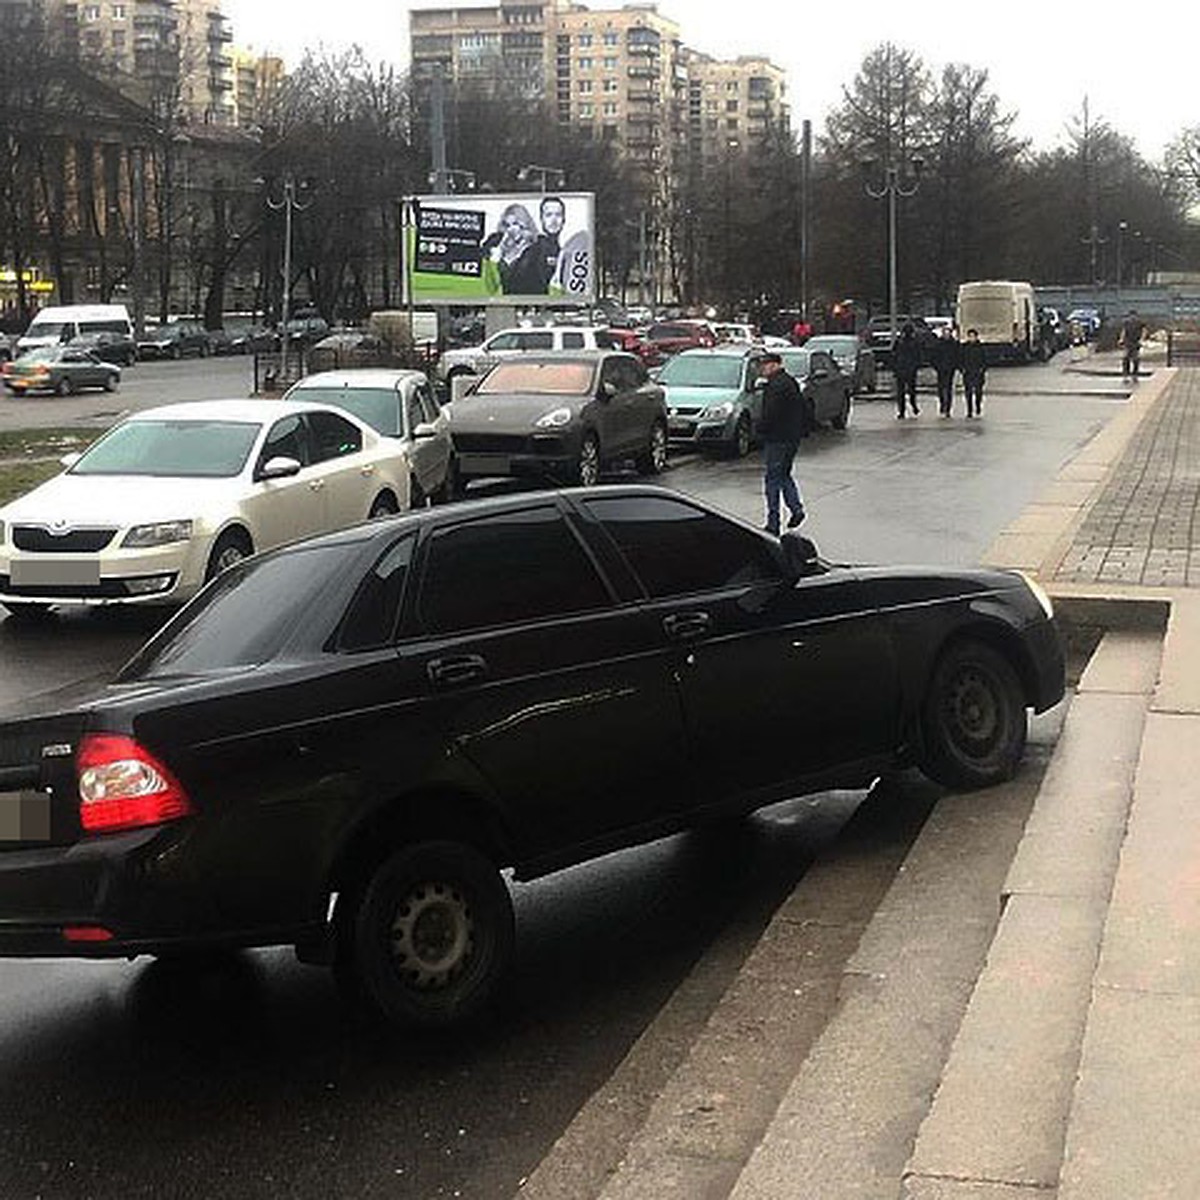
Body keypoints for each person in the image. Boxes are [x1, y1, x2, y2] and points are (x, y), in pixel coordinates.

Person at [758, 352, 812, 536]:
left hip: (776, 438)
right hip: (791, 438)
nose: (762, 369)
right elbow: (803, 408)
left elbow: (770, 413)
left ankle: (773, 522)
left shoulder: (775, 386)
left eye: (765, 366)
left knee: (772, 479)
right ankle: (796, 509)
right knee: (784, 475)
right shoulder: (790, 382)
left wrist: (761, 429)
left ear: (774, 365)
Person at [480, 203, 546, 295]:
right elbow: (482, 252)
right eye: (507, 225)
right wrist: (502, 246)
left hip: (531, 298)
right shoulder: (497, 239)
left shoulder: (538, 244)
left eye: (516, 224)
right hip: (504, 298)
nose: (511, 229)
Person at [892, 322, 921, 418]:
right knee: (910, 391)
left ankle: (902, 411)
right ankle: (912, 406)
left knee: (901, 392)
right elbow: (918, 356)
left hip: (902, 370)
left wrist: (895, 368)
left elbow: (893, 355)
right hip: (908, 370)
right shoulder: (914, 342)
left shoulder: (900, 342)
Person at [931, 325, 960, 417]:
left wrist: (956, 366)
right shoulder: (938, 344)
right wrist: (936, 366)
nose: (946, 335)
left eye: (948, 333)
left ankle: (948, 408)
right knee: (941, 388)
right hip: (941, 369)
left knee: (948, 388)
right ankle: (942, 404)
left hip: (950, 368)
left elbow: (958, 356)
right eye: (945, 333)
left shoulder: (954, 344)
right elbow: (933, 357)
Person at [960, 328, 987, 418]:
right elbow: (961, 359)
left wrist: (982, 369)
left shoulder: (981, 347)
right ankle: (969, 410)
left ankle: (978, 406)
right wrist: (962, 369)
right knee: (968, 392)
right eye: (970, 336)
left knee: (978, 392)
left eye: (973, 336)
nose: (972, 338)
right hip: (968, 372)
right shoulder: (964, 347)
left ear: (976, 337)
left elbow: (985, 360)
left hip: (978, 372)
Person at [1121, 309, 1146, 378]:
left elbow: (1144, 331)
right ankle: (1126, 373)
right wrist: (1121, 339)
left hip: (1136, 342)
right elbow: (1124, 331)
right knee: (1125, 358)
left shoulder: (1140, 323)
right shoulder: (1126, 322)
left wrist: (1141, 340)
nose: (1132, 318)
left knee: (1135, 358)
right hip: (1128, 342)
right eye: (1131, 316)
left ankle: (1135, 373)